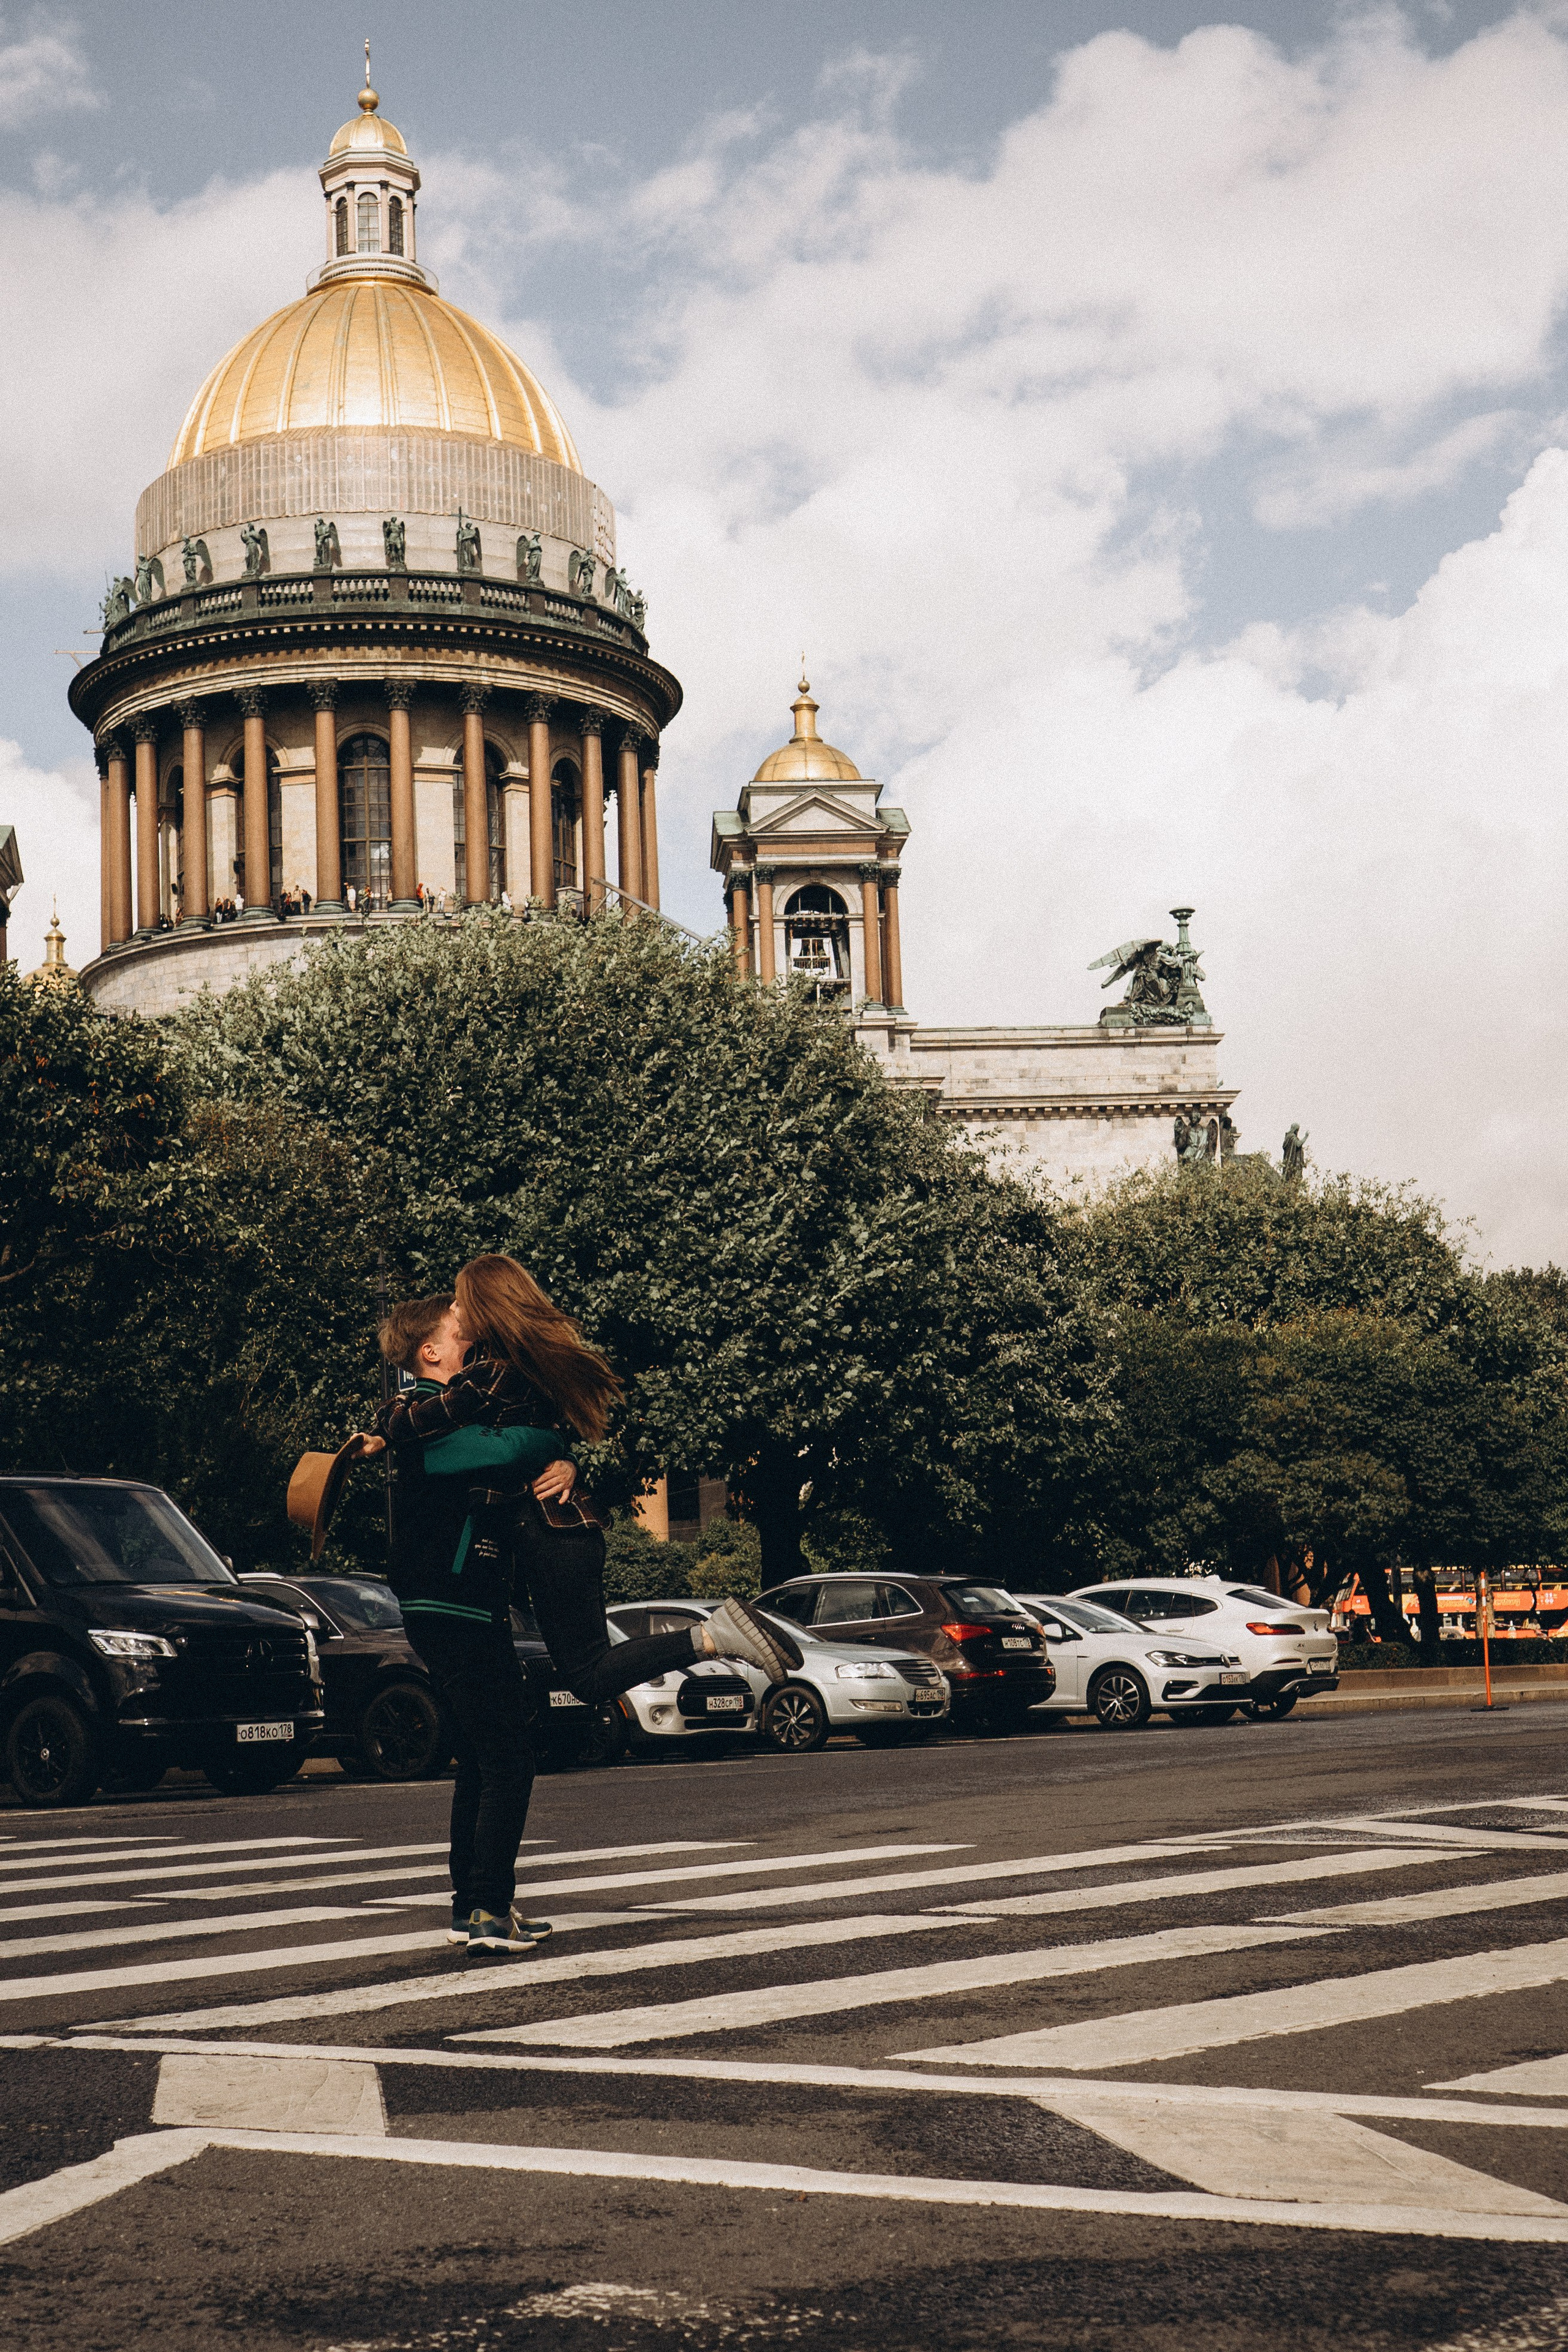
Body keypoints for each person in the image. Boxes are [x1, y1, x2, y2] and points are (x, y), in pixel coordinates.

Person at [374, 1262, 801, 1956]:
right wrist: (555, 1446)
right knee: (509, 1758)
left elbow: (503, 1454)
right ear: (430, 1352)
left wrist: (566, 1462)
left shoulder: (444, 1407)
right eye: (458, 1331)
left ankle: (475, 1907)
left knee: (485, 1759)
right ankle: (485, 1907)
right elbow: (503, 1449)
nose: (470, 1340)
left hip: (465, 1601)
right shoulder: (422, 1422)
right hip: (451, 1601)